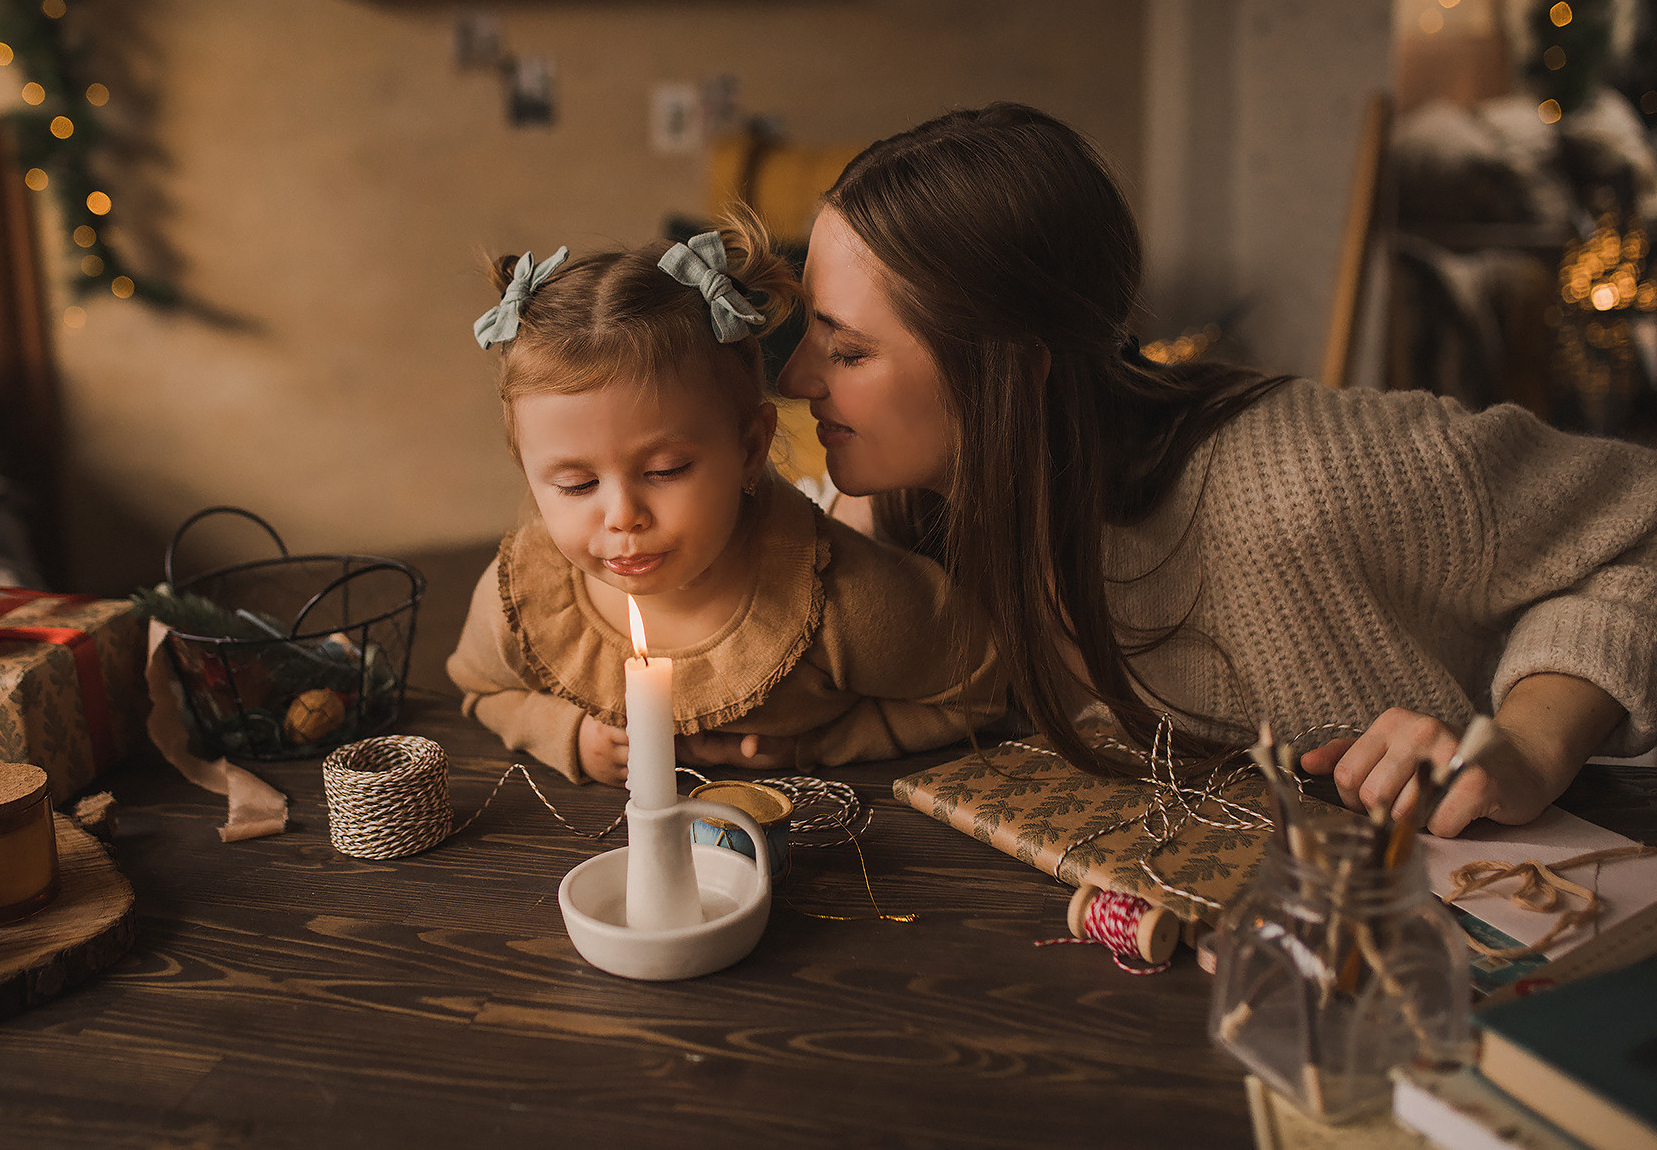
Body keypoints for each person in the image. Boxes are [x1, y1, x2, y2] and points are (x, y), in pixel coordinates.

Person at [726, 101, 1653, 839]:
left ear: (1008, 372)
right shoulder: (925, 508)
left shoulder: (1305, 479)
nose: (800, 376)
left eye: (845, 350)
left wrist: (1530, 743)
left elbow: (1641, 529)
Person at [447, 219, 997, 785]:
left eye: (666, 470)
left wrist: (819, 743)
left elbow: (980, 691)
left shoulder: (841, 601)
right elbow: (482, 689)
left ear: (750, 446)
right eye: (576, 486)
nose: (621, 517)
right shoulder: (523, 598)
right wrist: (565, 734)